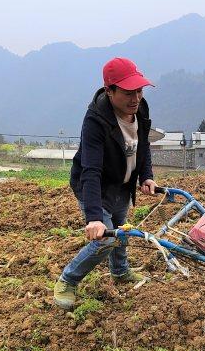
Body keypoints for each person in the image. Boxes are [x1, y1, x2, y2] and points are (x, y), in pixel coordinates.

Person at [54, 57, 157, 311]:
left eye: (139, 91)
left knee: (122, 230)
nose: (135, 98)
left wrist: (146, 175)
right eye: (127, 92)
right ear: (110, 91)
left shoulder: (140, 109)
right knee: (105, 239)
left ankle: (120, 272)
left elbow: (143, 145)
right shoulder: (95, 121)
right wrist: (93, 217)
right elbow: (91, 170)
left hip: (122, 183)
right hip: (95, 187)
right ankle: (68, 280)